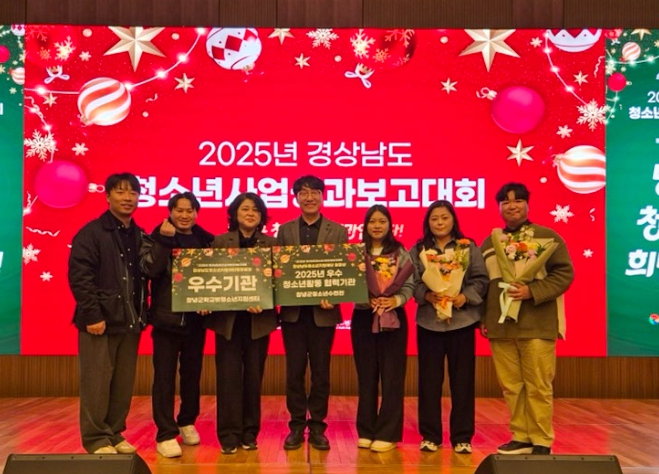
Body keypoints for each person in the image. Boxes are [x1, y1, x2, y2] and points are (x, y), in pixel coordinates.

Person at [481, 183, 574, 455]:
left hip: (537, 324)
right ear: (499, 207)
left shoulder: (547, 237)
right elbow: (484, 285)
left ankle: (542, 439)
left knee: (538, 386)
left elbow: (564, 274)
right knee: (511, 386)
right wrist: (484, 319)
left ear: (527, 204)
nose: (512, 206)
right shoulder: (489, 242)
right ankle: (521, 435)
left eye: (518, 200)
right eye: (505, 201)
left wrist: (532, 291)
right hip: (501, 327)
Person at [68, 172, 148, 454]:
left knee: (122, 383)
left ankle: (114, 432)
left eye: (133, 193)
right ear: (107, 196)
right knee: (97, 382)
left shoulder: (139, 234)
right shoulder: (91, 233)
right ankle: (95, 438)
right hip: (100, 321)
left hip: (130, 320)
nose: (128, 198)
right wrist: (92, 315)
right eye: (121, 192)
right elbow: (80, 277)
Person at [410, 200, 489, 454]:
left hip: (461, 322)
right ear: (428, 222)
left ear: (453, 220)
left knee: (463, 381)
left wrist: (465, 297)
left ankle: (462, 437)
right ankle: (430, 435)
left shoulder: (468, 247)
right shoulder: (419, 249)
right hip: (429, 323)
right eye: (434, 218)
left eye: (444, 217)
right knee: (429, 382)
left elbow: (481, 280)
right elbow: (411, 281)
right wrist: (426, 295)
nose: (440, 222)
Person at [277, 175, 348, 451]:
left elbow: (343, 270)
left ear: (322, 196)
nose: (309, 197)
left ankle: (317, 425)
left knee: (321, 373)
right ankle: (296, 425)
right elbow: (279, 270)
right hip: (293, 314)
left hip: (324, 314)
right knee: (294, 372)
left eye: (314, 192)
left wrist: (335, 296)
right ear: (296, 197)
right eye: (303, 193)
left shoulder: (338, 231)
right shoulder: (285, 231)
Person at [141, 192, 214, 458]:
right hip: (166, 320)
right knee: (164, 377)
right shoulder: (155, 237)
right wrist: (164, 240)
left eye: (189, 210)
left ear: (196, 212)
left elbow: (212, 278)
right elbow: (150, 270)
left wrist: (208, 300)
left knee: (192, 375)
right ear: (170, 212)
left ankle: (187, 421)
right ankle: (165, 433)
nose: (184, 215)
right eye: (179, 210)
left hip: (196, 320)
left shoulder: (206, 240)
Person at [204, 192, 278, 455]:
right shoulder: (219, 242)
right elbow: (208, 278)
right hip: (228, 323)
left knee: (253, 379)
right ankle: (228, 434)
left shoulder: (272, 244)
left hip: (259, 322)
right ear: (234, 214)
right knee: (228, 378)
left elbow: (280, 283)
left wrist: (266, 300)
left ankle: (249, 433)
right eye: (245, 209)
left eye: (256, 210)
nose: (250, 213)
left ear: (262, 216)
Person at [351, 205, 415, 453]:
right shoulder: (356, 253)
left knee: (392, 377)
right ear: (365, 225)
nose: (377, 226)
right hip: (363, 317)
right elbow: (349, 284)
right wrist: (366, 300)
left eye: (382, 221)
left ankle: (388, 433)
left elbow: (409, 284)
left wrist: (395, 300)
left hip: (393, 317)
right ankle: (366, 430)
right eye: (372, 221)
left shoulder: (400, 252)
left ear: (390, 225)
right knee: (366, 376)